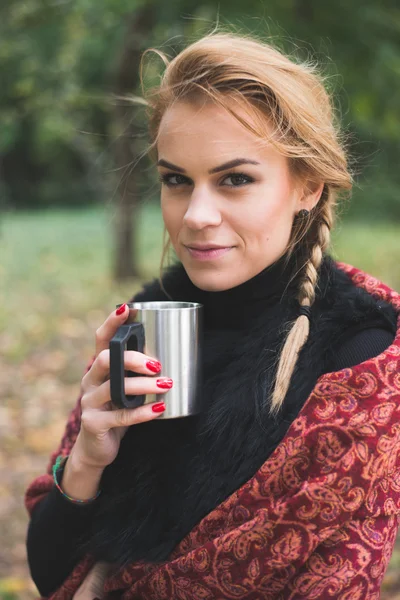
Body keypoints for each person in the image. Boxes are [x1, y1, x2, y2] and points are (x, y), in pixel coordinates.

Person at [25, 30, 400, 599]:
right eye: (177, 180)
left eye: (235, 179)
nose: (197, 215)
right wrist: (84, 464)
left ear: (307, 185)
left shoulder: (361, 356)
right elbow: (51, 571)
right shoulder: (150, 324)